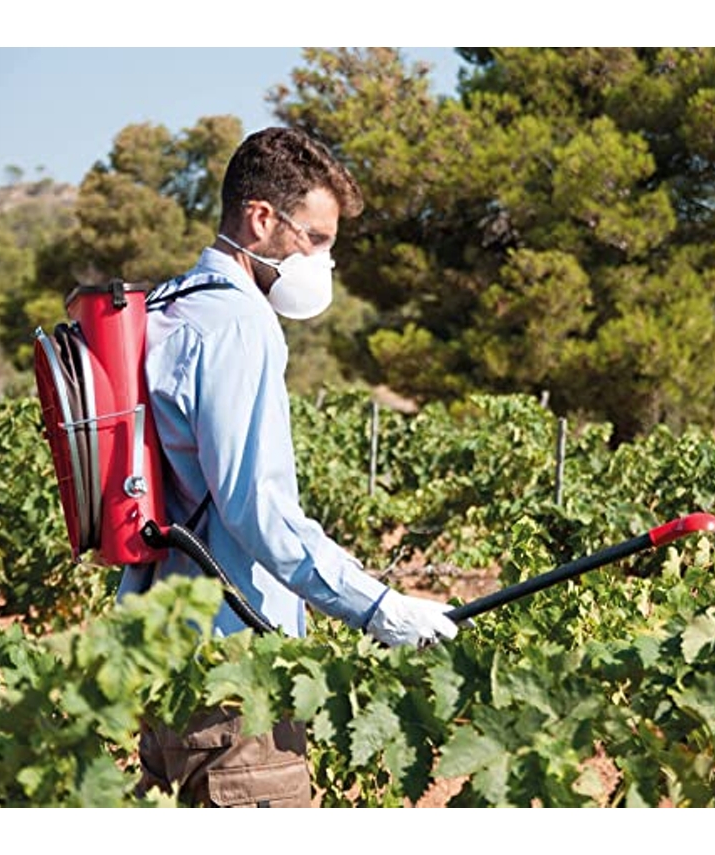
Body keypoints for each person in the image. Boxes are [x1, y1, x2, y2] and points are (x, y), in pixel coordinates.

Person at [118, 126, 460, 808]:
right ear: (262, 219)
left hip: (163, 658)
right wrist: (378, 606)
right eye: (317, 238)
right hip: (234, 678)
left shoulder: (169, 305)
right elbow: (258, 511)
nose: (324, 261)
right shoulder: (240, 324)